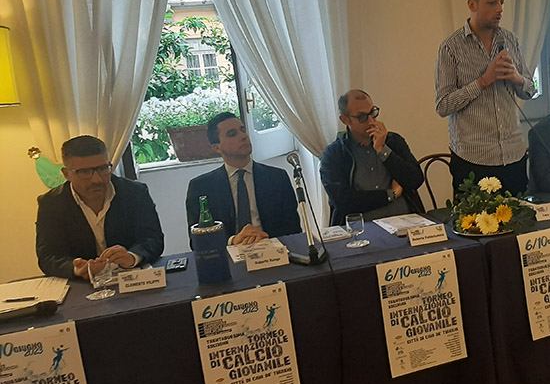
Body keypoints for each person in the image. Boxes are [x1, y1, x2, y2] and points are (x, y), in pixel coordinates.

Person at [435, 0, 536, 196]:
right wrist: (482, 82)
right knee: (476, 219)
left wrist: (517, 78)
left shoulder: (510, 40)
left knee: (519, 217)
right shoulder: (451, 48)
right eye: (492, 2)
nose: (499, 9)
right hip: (474, 160)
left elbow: (530, 90)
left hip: (513, 156)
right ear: (472, 5)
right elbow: (443, 105)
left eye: (502, 2)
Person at [35, 135, 164, 279]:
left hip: (130, 277)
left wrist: (132, 256)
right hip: (82, 284)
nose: (96, 179)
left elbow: (153, 238)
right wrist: (76, 268)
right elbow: (48, 256)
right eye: (84, 172)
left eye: (102, 168)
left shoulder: (134, 192)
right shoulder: (51, 203)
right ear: (66, 174)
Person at [186, 112, 300, 247]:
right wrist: (233, 240)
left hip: (272, 248)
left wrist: (263, 238)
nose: (243, 136)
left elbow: (294, 229)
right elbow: (197, 241)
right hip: (228, 255)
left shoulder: (277, 178)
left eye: (243, 130)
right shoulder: (201, 187)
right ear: (217, 147)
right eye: (232, 134)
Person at [321, 89, 425, 226]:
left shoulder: (393, 141)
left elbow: (416, 180)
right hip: (361, 229)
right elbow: (344, 202)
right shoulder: (333, 154)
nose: (371, 120)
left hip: (405, 221)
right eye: (362, 117)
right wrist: (391, 194)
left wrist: (383, 150)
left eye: (373, 112)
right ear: (345, 120)